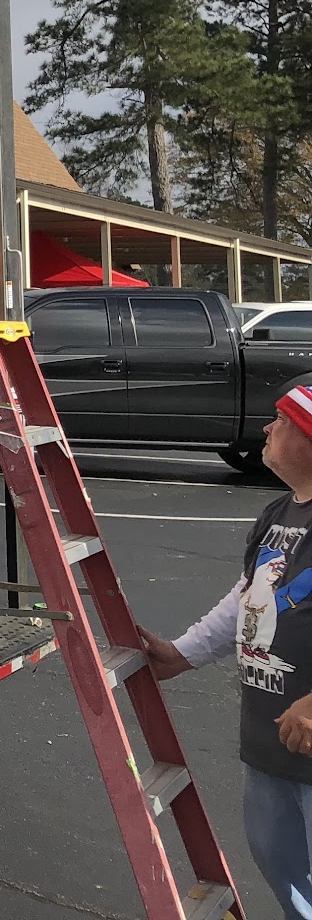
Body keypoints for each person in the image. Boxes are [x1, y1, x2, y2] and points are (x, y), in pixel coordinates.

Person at [144, 384, 312, 917]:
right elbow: (247, 597)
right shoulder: (279, 513)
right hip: (270, 745)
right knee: (286, 877)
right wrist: (182, 653)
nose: (267, 428)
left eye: (281, 420)